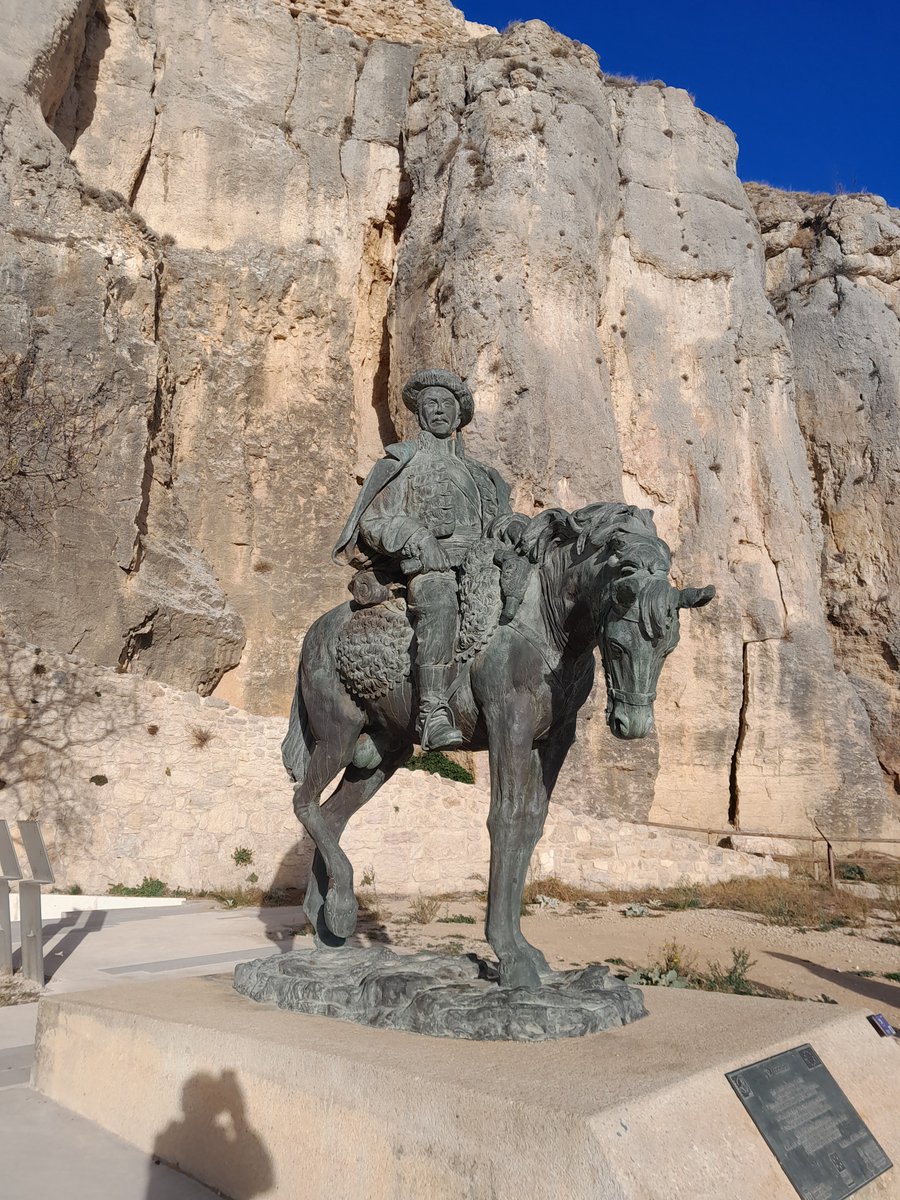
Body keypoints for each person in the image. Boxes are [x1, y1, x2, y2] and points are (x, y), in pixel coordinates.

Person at [334, 369, 521, 751]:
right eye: (430, 404)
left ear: (458, 416)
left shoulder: (484, 476)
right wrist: (417, 537)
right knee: (438, 604)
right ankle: (431, 711)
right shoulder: (403, 462)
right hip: (431, 568)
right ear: (419, 414)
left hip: (483, 566)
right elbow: (373, 521)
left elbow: (499, 523)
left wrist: (517, 529)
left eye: (446, 404)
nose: (438, 411)